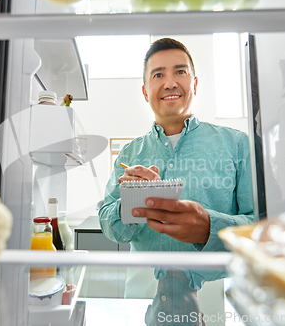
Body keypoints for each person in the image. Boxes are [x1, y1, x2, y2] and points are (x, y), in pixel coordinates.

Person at [98, 37, 256, 325]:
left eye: (180, 72)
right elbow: (107, 223)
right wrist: (130, 203)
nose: (170, 82)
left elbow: (261, 226)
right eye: (158, 75)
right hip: (141, 296)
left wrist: (210, 227)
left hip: (219, 298)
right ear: (145, 92)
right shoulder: (130, 153)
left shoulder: (237, 145)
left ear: (195, 84)